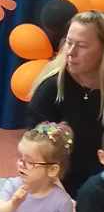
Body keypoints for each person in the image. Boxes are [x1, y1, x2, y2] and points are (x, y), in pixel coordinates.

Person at [28, 11, 104, 196]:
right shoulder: (50, 90)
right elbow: (35, 155)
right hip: (58, 186)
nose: (71, 52)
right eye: (69, 43)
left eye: (82, 46)